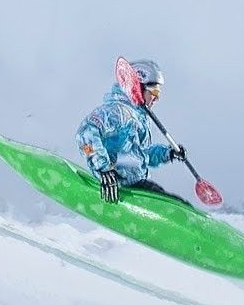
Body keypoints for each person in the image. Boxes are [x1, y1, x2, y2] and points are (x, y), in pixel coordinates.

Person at [77, 59, 188, 204]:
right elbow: (85, 134)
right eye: (154, 91)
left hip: (133, 181)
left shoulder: (139, 117)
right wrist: (103, 168)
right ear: (138, 87)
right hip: (119, 183)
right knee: (174, 204)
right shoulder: (119, 111)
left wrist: (168, 153)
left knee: (176, 202)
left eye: (158, 92)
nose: (157, 98)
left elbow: (141, 155)